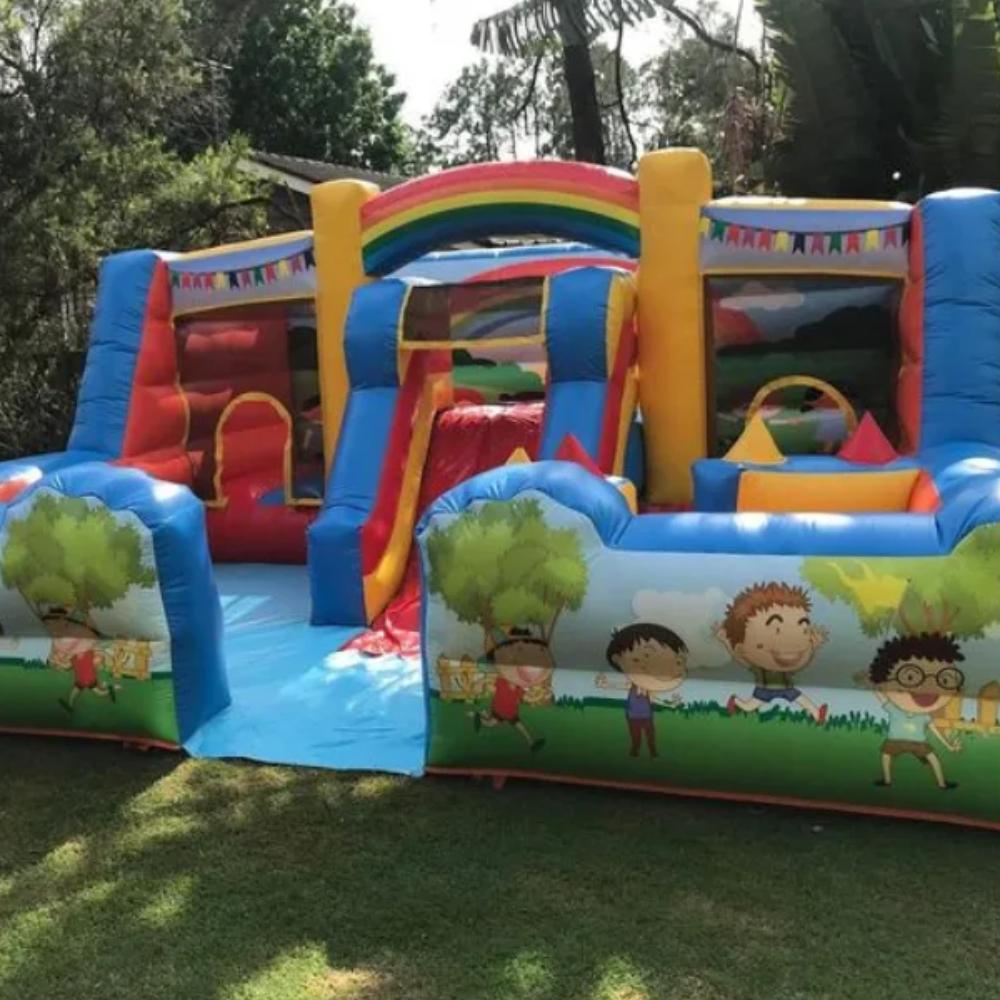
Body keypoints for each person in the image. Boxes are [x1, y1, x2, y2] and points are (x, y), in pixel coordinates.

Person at [715, 582, 829, 724]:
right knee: (750, 706)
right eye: (776, 629)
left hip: (786, 688)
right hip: (765, 689)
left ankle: (817, 714)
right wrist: (725, 642)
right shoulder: (759, 666)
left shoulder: (787, 668)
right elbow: (740, 657)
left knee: (801, 699)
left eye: (803, 630)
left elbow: (803, 662)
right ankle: (736, 702)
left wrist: (813, 647)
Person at [866, 633, 964, 790]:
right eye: (910, 676)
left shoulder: (923, 715)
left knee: (933, 759)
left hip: (919, 742)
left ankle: (942, 783)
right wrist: (872, 683)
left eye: (943, 680)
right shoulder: (895, 709)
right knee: (886, 755)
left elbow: (934, 730)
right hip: (895, 741)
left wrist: (949, 745)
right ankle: (887, 780)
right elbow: (881, 696)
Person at [596, 623, 688, 757]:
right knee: (636, 736)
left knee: (650, 735)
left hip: (645, 715)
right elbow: (621, 686)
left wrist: (669, 704)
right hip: (633, 715)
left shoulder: (648, 686)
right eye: (644, 656)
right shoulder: (634, 684)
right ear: (617, 659)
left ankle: (651, 751)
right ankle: (636, 750)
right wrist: (605, 684)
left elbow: (654, 699)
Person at [472, 629, 554, 751]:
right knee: (490, 723)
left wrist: (543, 695)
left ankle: (531, 742)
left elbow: (528, 698)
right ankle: (478, 717)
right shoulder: (501, 681)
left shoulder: (518, 688)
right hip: (499, 711)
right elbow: (489, 682)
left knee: (521, 728)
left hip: (511, 713)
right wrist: (480, 683)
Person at [44, 614, 115, 712]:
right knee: (79, 690)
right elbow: (70, 659)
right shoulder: (75, 651)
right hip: (82, 677)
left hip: (86, 678)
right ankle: (70, 705)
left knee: (97, 692)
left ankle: (110, 690)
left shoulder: (83, 649)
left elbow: (83, 655)